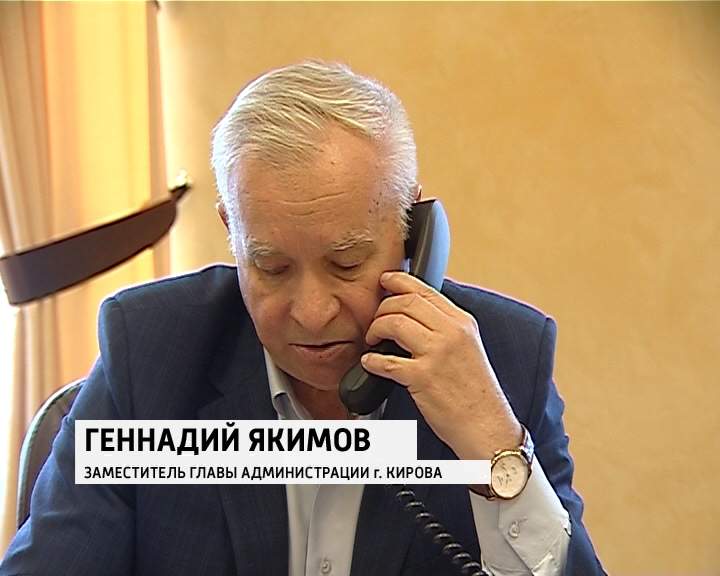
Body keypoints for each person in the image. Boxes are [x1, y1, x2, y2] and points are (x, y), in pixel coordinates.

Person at [0, 60, 605, 576]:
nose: (312, 315)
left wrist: (497, 453)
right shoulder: (151, 347)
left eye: (346, 264)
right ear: (232, 231)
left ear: (412, 233)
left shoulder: (508, 358)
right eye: (271, 267)